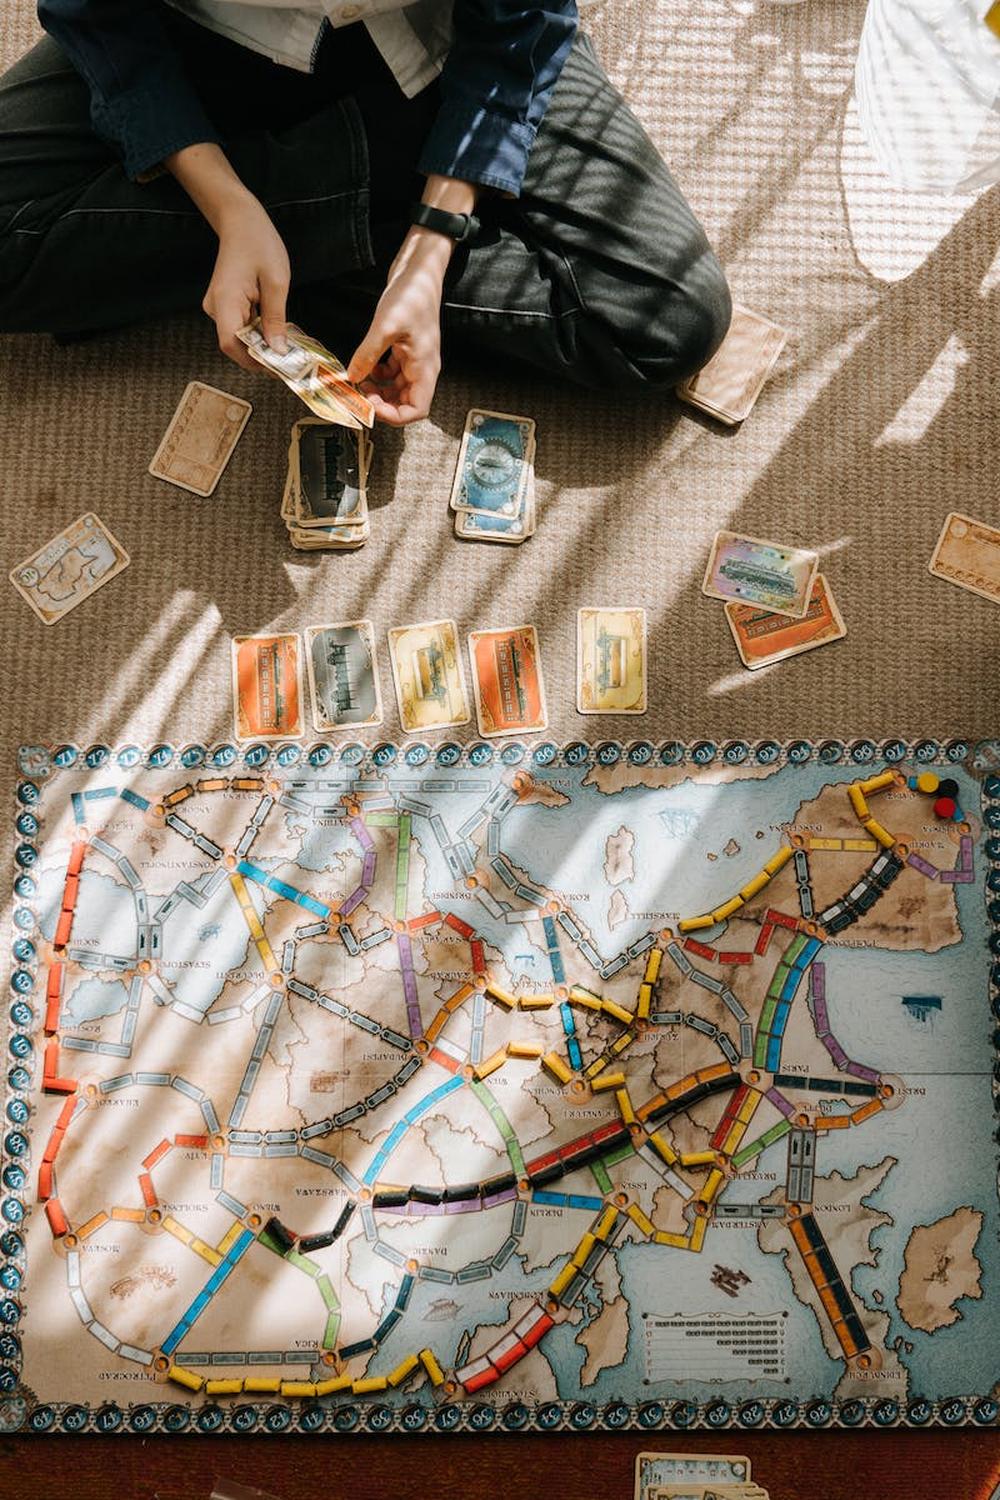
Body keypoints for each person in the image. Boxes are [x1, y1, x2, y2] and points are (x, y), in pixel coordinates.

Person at [0, 0, 732, 425]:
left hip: (455, 52)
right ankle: (366, 186)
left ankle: (305, 228)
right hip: (194, 36)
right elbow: (93, 15)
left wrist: (433, 244)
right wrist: (227, 206)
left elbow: (524, 20)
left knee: (666, 320)